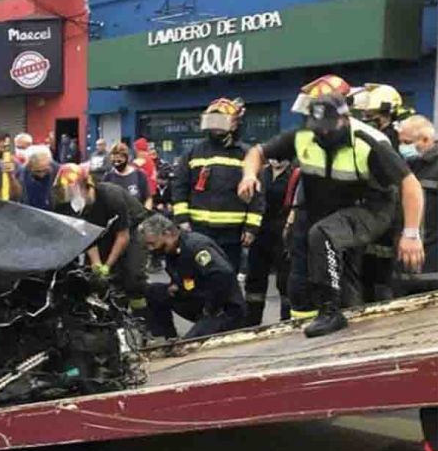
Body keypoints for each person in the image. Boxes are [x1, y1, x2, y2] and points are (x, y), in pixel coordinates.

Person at [239, 85, 425, 338]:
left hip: (371, 208)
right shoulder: (304, 135)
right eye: (319, 127)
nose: (324, 133)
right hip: (329, 209)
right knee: (319, 258)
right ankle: (346, 314)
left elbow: (411, 185)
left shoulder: (368, 142)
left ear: (345, 119)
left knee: (323, 234)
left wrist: (411, 234)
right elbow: (257, 153)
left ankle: (330, 312)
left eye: (329, 126)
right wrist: (249, 175)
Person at [173, 98, 264, 271]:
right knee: (198, 275)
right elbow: (179, 187)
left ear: (234, 124)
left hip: (232, 234)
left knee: (227, 276)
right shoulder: (193, 153)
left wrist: (251, 228)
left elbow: (257, 195)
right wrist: (182, 220)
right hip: (198, 230)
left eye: (220, 121)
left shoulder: (247, 155)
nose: (215, 126)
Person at [53, 163, 150, 316]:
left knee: (133, 276)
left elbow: (122, 236)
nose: (69, 195)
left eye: (72, 191)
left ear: (86, 186)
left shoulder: (110, 196)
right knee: (96, 280)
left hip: (132, 229)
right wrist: (97, 264)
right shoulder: (71, 206)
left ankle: (144, 320)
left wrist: (108, 265)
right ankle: (114, 318)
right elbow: (87, 236)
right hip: (102, 232)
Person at [138, 214, 247, 340]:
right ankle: (165, 338)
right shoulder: (171, 249)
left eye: (153, 243)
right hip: (196, 299)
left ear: (167, 233)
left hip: (223, 309)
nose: (152, 249)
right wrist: (177, 285)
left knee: (188, 345)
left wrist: (210, 308)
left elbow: (223, 275)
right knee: (154, 291)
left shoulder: (195, 247)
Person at [350, 84, 406, 302]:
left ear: (386, 114)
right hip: (372, 212)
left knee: (382, 272)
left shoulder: (392, 140)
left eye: (373, 116)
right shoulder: (377, 136)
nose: (368, 120)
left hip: (387, 213)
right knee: (367, 269)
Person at [243, 159, 299, 325]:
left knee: (285, 279)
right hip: (259, 232)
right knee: (254, 278)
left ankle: (287, 320)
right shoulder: (262, 173)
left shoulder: (295, 174)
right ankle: (252, 322)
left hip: (284, 233)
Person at [395, 115, 438, 295]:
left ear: (426, 139)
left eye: (407, 142)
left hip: (433, 268)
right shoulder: (403, 166)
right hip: (403, 268)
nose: (403, 147)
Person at [102, 142, 152, 208]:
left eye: (119, 161)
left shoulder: (139, 175)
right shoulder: (108, 177)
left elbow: (148, 198)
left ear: (127, 158)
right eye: (114, 161)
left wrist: (146, 214)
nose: (116, 164)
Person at [18, 145, 56, 211]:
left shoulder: (58, 172)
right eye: (37, 171)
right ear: (28, 165)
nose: (41, 175)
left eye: (45, 170)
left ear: (50, 163)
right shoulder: (20, 175)